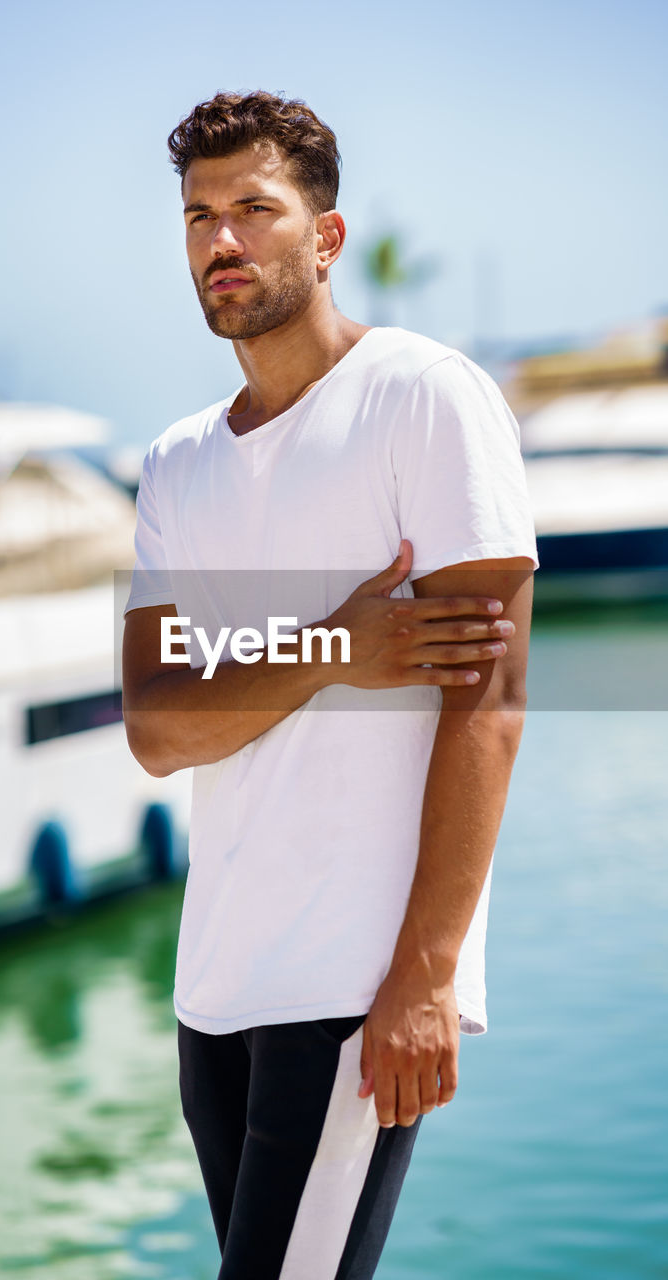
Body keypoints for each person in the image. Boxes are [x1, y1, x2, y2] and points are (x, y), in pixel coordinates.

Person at [122, 90, 537, 1280]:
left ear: (326, 235)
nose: (222, 241)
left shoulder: (424, 395)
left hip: (351, 985)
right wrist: (334, 646)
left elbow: (489, 702)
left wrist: (426, 970)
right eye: (199, 215)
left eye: (256, 207)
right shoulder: (178, 460)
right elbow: (157, 729)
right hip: (214, 989)